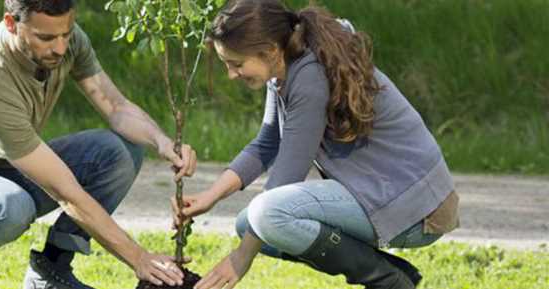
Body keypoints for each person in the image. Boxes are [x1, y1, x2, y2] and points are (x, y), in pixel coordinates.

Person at [0, 1, 199, 288]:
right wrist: (138, 257)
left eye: (65, 34)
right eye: (45, 37)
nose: (59, 47)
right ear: (11, 24)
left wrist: (162, 142)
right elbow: (65, 192)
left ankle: (51, 270)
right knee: (10, 206)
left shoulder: (66, 39)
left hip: (9, 170)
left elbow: (116, 106)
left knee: (118, 153)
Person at [172, 1, 460, 288]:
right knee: (249, 223)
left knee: (267, 215)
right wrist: (212, 195)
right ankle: (393, 275)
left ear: (270, 51)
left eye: (236, 64)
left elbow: (286, 177)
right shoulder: (285, 67)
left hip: (418, 210)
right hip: (388, 196)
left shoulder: (310, 76)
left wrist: (240, 259)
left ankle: (387, 280)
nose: (231, 74)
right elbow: (266, 144)